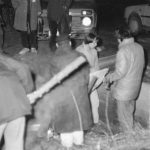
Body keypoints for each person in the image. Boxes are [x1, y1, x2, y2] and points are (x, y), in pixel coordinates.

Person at [33, 34, 93, 148]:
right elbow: (86, 78)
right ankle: (79, 145)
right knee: (78, 127)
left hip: (63, 100)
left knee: (66, 129)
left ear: (56, 45)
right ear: (70, 43)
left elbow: (48, 82)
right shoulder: (80, 56)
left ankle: (68, 147)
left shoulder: (53, 60)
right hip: (80, 97)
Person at [105, 26, 145, 132]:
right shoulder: (139, 47)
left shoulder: (123, 51)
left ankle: (128, 139)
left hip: (124, 91)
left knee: (123, 117)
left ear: (120, 39)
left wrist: (109, 77)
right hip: (135, 87)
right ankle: (130, 132)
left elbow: (120, 73)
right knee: (129, 114)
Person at [0, 54, 33, 150]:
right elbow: (22, 68)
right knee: (15, 144)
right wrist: (25, 92)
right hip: (17, 105)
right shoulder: (2, 57)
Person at [76, 33, 107, 124]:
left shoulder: (94, 51)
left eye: (96, 42)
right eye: (94, 42)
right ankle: (82, 123)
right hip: (82, 81)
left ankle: (95, 122)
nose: (96, 45)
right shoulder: (79, 51)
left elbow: (96, 65)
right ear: (88, 42)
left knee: (95, 101)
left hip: (92, 79)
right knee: (82, 103)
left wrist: (101, 75)